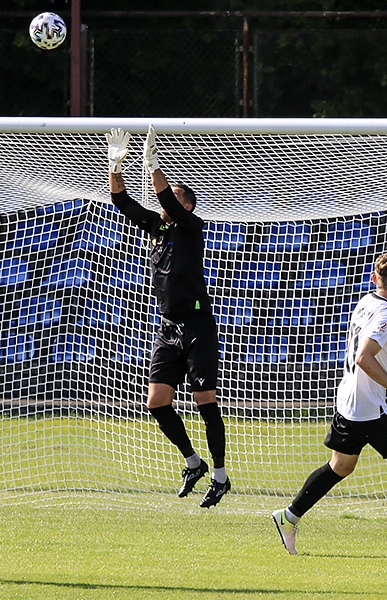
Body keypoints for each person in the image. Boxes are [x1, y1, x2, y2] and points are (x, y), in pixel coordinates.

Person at [272, 252, 387, 555]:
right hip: (369, 409)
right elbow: (365, 356)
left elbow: (374, 340)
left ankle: (288, 517)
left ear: (375, 278)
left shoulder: (366, 302)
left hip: (347, 400)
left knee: (341, 465)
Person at [106, 125, 230, 508]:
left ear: (187, 206)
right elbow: (122, 202)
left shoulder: (192, 228)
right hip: (169, 327)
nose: (164, 206)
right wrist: (116, 165)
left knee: (204, 400)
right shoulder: (158, 229)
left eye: (173, 201)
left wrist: (153, 166)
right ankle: (193, 463)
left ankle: (221, 476)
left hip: (197, 326)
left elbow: (169, 200)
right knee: (157, 401)